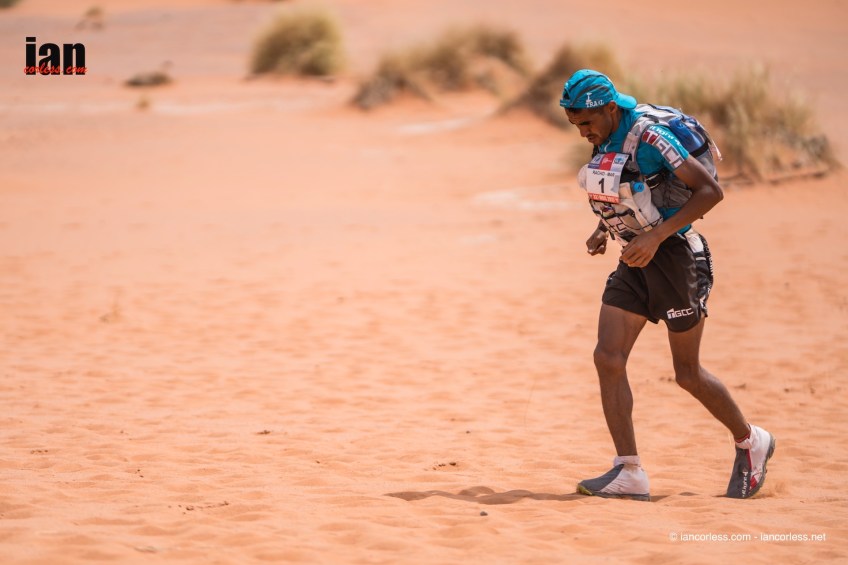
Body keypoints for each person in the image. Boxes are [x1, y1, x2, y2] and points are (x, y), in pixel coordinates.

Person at [560, 69, 775, 500]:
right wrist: (603, 228)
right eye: (575, 124)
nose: (582, 132)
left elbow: (710, 191)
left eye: (586, 122)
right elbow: (624, 190)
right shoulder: (605, 136)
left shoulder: (652, 136)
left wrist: (656, 237)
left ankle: (751, 440)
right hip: (636, 259)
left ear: (609, 107)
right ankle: (629, 470)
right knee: (607, 357)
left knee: (687, 374)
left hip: (677, 258)